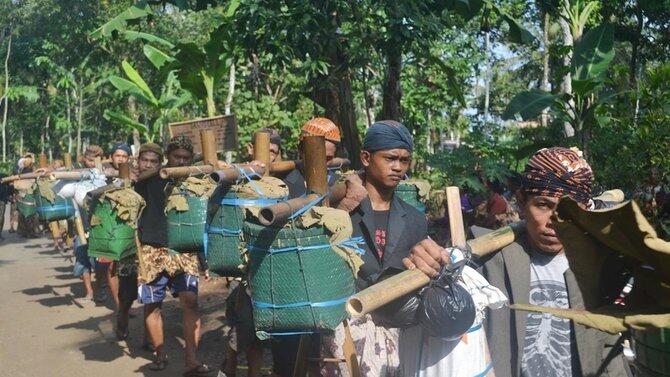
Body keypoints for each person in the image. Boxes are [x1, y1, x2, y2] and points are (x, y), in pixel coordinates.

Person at [404, 147, 629, 377]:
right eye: (543, 205)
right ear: (522, 202)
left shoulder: (599, 267)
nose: (555, 222)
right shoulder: (487, 262)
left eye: (568, 210)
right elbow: (404, 314)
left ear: (585, 210)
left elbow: (609, 348)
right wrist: (425, 268)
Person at [320, 120, 427, 376]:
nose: (398, 167)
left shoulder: (414, 219)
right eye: (390, 158)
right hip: (343, 330)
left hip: (398, 334)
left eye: (404, 160)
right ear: (366, 158)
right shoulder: (339, 213)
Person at [134, 135, 211, 375]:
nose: (180, 161)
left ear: (191, 159)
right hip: (151, 248)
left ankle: (191, 359)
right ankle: (160, 354)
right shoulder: (147, 180)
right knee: (152, 305)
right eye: (176, 157)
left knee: (190, 301)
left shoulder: (196, 181)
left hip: (184, 249)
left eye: (185, 158)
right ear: (168, 157)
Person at [115, 143, 162, 347]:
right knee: (127, 295)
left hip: (152, 246)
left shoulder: (164, 181)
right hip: (129, 245)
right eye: (145, 160)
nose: (149, 165)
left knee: (151, 296)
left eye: (154, 161)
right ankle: (122, 322)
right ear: (138, 161)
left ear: (160, 164)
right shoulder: (127, 181)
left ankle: (148, 339)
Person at [284, 117, 341, 199]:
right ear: (300, 150)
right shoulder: (284, 184)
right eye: (316, 157)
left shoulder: (339, 184)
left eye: (328, 158)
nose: (322, 164)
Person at [0, 170, 14, 240]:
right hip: (2, 200)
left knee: (1, 218)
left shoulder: (3, 175)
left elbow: (10, 187)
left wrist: (9, 196)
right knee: (1, 218)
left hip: (2, 201)